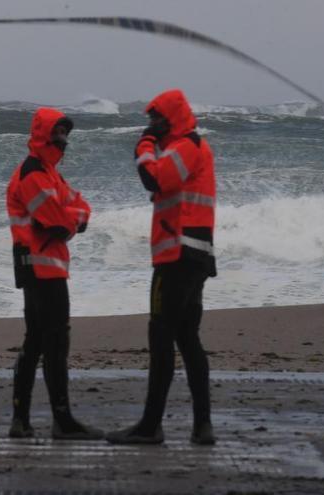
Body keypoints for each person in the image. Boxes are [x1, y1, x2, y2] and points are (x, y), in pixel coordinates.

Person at [106, 89, 217, 446]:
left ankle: (151, 426)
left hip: (177, 258)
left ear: (172, 118)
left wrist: (142, 146)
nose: (151, 125)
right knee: (187, 338)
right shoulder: (185, 147)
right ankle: (202, 426)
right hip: (193, 256)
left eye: (156, 119)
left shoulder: (187, 146)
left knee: (161, 337)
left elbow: (153, 180)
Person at [5, 107, 103, 440]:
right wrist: (71, 220)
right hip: (40, 268)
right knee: (52, 342)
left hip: (46, 266)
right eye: (58, 133)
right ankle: (59, 420)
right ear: (44, 133)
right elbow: (58, 220)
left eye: (65, 133)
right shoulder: (33, 173)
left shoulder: (49, 173)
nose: (63, 140)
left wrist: (71, 219)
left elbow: (81, 208)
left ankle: (23, 419)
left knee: (37, 341)